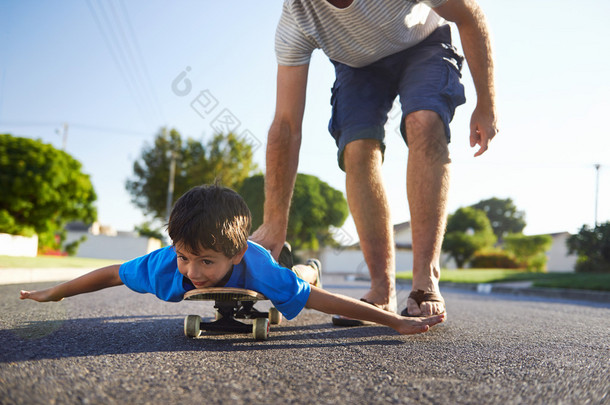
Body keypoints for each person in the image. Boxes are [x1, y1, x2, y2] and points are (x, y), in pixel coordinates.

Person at [250, 0, 498, 322]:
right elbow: (285, 125)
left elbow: (469, 15)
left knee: (424, 122)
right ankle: (381, 290)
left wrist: (487, 102)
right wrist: (273, 224)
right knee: (356, 149)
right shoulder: (298, 16)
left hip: (425, 43)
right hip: (356, 65)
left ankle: (425, 279)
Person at [20, 184, 444, 335]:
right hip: (239, 255)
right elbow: (113, 273)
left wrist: (395, 321)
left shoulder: (253, 263)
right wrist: (56, 294)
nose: (193, 272)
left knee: (292, 281)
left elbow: (320, 301)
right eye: (186, 258)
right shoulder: (170, 263)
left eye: (206, 262)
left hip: (268, 270)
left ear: (234, 254)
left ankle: (305, 265)